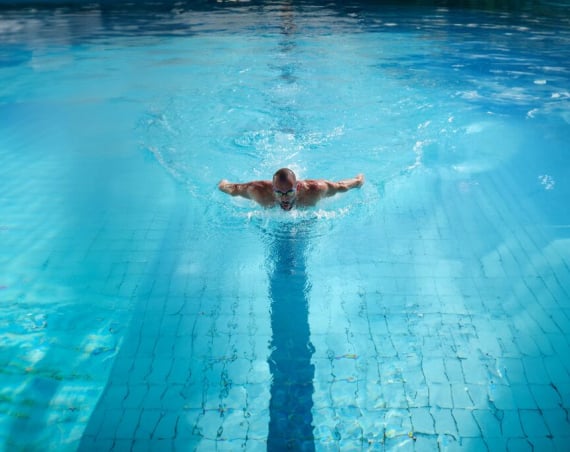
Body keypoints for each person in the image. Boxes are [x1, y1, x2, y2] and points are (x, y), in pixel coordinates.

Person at [218, 168, 364, 211]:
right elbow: (233, 189)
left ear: (298, 187)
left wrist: (358, 181)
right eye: (279, 193)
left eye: (289, 192)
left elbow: (341, 186)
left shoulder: (315, 190)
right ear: (272, 188)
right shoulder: (258, 191)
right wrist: (223, 184)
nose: (284, 198)